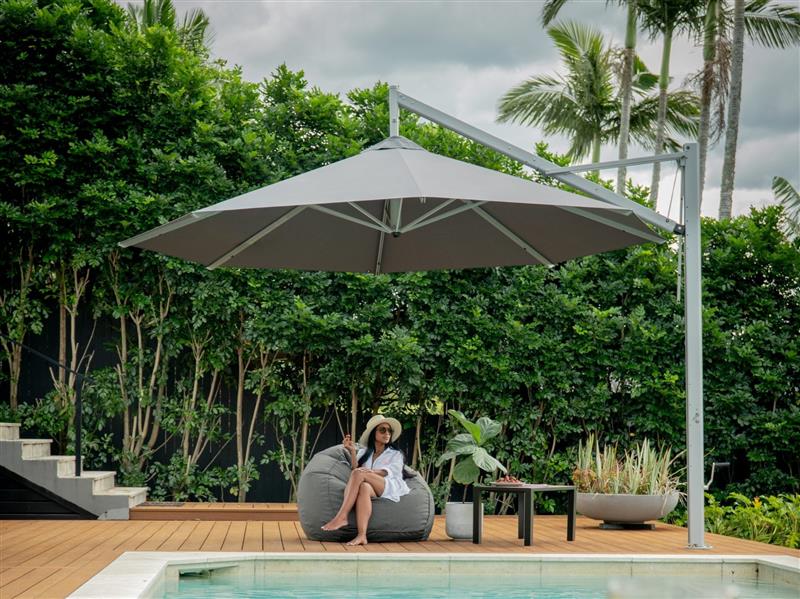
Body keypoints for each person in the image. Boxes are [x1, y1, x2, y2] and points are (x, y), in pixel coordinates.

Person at [321, 414, 410, 545]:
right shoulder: (364, 452)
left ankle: (342, 516)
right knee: (364, 487)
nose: (387, 433)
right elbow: (355, 470)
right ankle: (362, 536)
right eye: (382, 430)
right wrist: (352, 451)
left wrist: (370, 472)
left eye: (389, 431)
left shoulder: (395, 453)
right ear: (373, 433)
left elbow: (388, 472)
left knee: (360, 474)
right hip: (371, 486)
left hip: (389, 485)